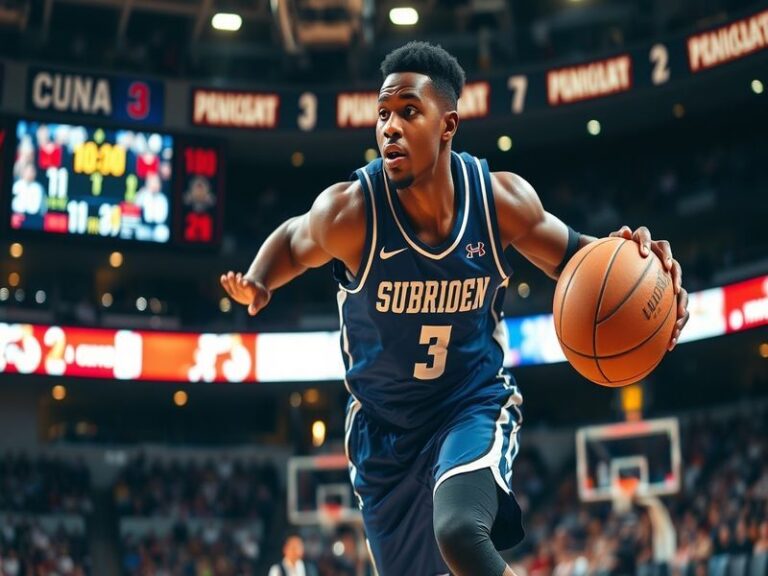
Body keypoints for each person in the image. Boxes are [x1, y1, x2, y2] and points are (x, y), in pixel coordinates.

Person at [221, 42, 689, 576]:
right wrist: (259, 280)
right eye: (382, 114)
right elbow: (292, 238)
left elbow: (582, 262)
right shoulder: (350, 212)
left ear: (448, 126)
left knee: (460, 531)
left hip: (468, 402)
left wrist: (646, 270)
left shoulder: (499, 202)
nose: (390, 127)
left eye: (408, 111)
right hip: (382, 431)